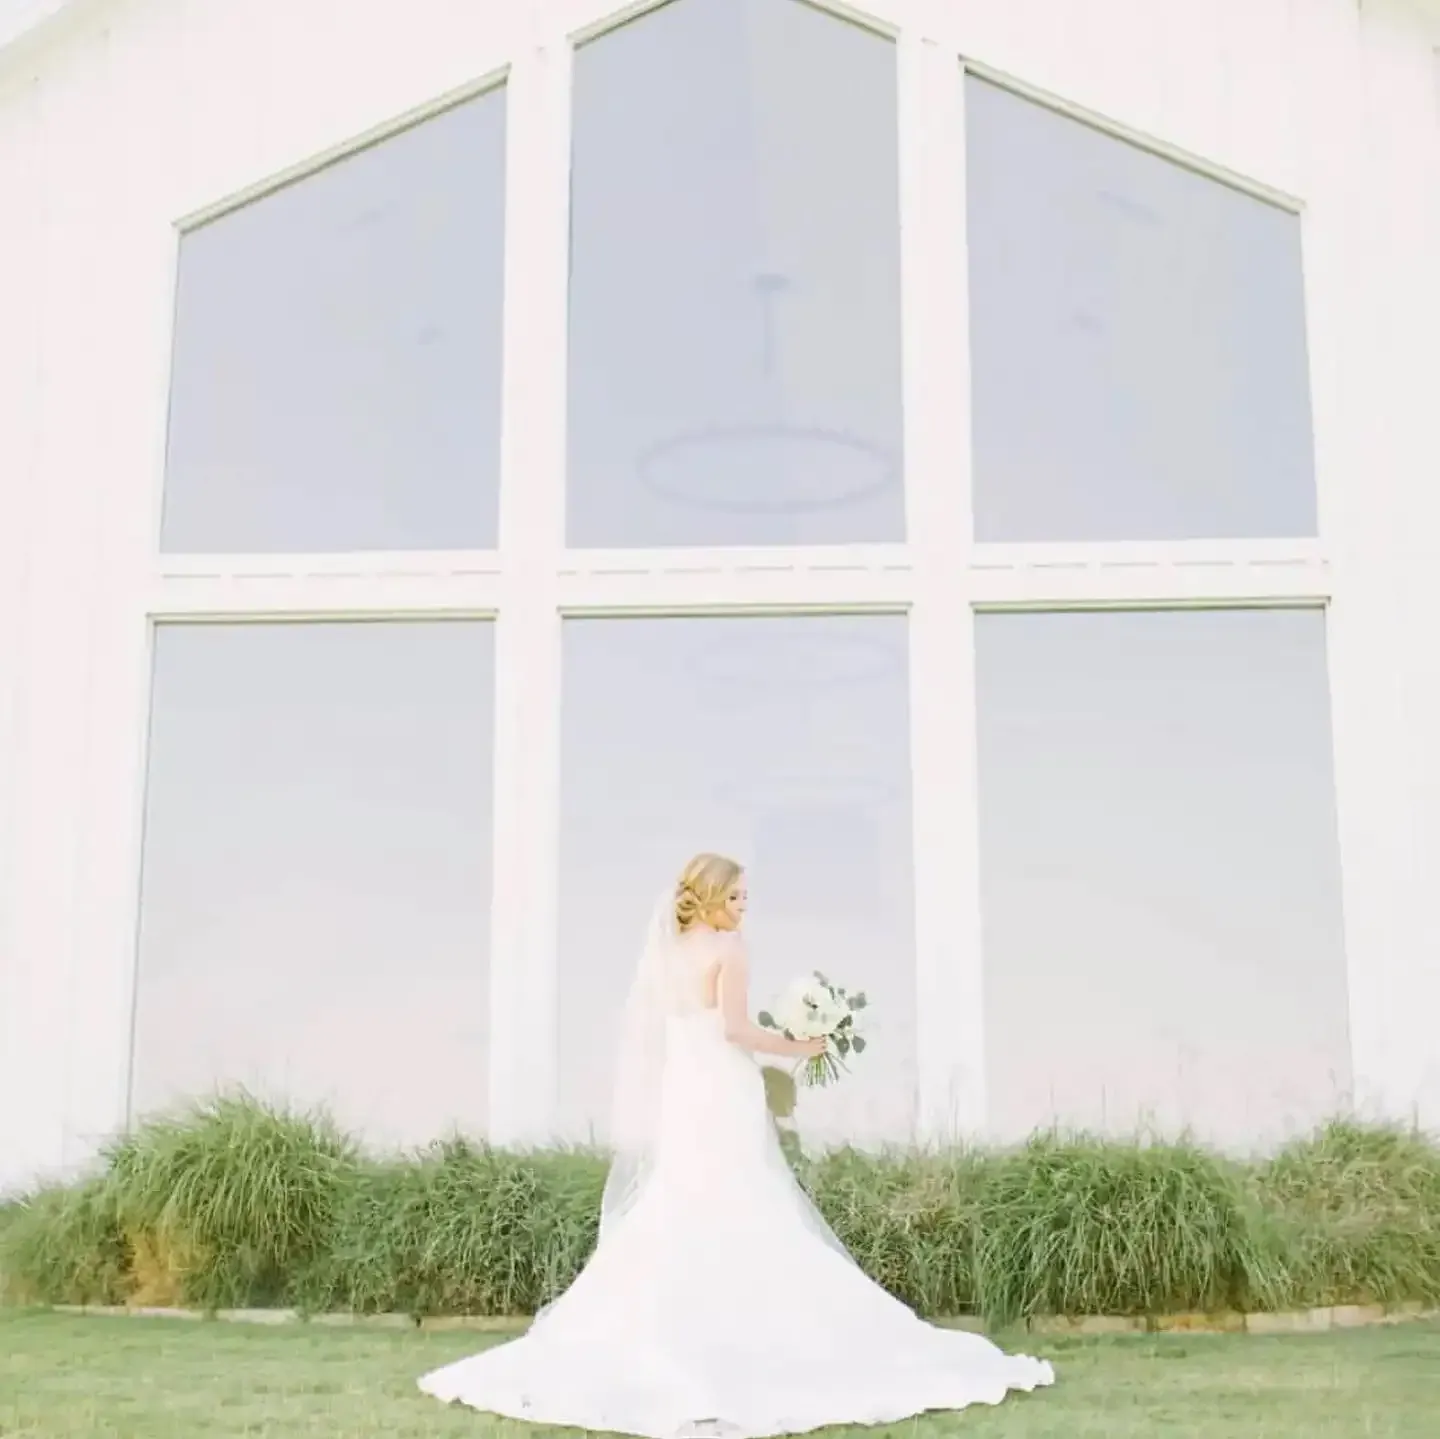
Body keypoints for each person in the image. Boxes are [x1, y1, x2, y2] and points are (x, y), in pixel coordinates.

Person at [418, 853, 1054, 1436]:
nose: (746, 905)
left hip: (682, 1091)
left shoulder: (667, 952)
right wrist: (805, 1044)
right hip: (721, 1087)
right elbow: (736, 1029)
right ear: (716, 897)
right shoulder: (729, 947)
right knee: (746, 1198)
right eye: (740, 894)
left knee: (683, 1200)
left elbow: (674, 1029)